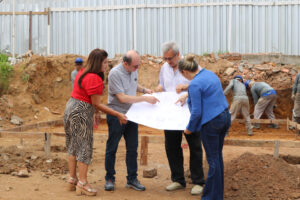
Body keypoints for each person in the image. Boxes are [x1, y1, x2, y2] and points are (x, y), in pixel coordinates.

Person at [64, 49, 127, 196]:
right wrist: (117, 114)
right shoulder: (94, 78)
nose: (106, 65)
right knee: (84, 147)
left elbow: (91, 99)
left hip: (71, 107)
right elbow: (97, 103)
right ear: (98, 62)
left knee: (73, 145)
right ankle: (83, 183)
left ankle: (72, 180)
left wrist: (96, 112)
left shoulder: (84, 71)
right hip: (81, 111)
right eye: (105, 62)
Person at [104, 50, 159, 191]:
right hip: (117, 114)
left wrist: (145, 90)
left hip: (132, 114)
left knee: (132, 148)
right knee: (112, 147)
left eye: (138, 65)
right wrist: (145, 99)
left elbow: (134, 85)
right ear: (125, 63)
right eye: (135, 66)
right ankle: (110, 178)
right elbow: (122, 97)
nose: (137, 68)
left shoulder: (133, 69)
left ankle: (132, 179)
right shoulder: (114, 74)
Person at [155, 42, 205, 195]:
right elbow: (162, 85)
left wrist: (186, 90)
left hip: (190, 113)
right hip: (171, 113)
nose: (168, 62)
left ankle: (198, 181)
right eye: (165, 58)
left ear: (178, 55)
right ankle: (178, 179)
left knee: (195, 145)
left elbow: (203, 85)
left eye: (170, 58)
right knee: (171, 146)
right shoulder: (164, 68)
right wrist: (158, 89)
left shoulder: (191, 65)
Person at [178, 55, 231, 200]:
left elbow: (196, 113)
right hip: (225, 117)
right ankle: (217, 195)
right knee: (217, 158)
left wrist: (188, 129)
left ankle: (210, 197)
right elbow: (206, 92)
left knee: (213, 160)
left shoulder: (195, 84)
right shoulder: (209, 74)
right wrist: (187, 95)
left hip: (211, 123)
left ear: (184, 72)